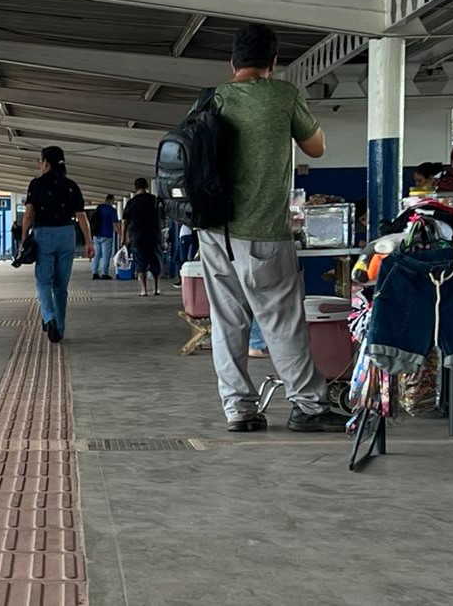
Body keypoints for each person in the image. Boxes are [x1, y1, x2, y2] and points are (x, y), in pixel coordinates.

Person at [198, 23, 347, 434]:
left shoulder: (212, 98)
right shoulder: (284, 94)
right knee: (282, 321)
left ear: (232, 62)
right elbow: (316, 147)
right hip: (263, 230)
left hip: (213, 231)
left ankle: (239, 410)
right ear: (273, 62)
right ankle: (308, 406)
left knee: (227, 323)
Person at [21, 146, 94, 343]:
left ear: (46, 163)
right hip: (67, 235)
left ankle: (49, 317)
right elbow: (81, 216)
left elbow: (28, 214)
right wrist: (88, 242)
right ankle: (59, 329)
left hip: (44, 234)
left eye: (40, 161)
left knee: (43, 282)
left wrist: (23, 239)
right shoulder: (71, 185)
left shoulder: (36, 184)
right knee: (61, 287)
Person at [120, 178, 163, 296]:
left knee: (140, 263)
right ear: (147, 186)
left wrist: (123, 237)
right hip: (153, 236)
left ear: (135, 188)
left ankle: (144, 290)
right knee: (155, 262)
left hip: (137, 237)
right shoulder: (154, 200)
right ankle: (156, 288)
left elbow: (124, 221)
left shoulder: (131, 202)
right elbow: (161, 218)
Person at [91, 194, 119, 280]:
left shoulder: (99, 208)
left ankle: (95, 273)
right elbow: (115, 225)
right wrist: (121, 234)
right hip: (107, 235)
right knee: (106, 255)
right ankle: (104, 273)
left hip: (96, 235)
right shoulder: (112, 210)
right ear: (111, 200)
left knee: (96, 255)